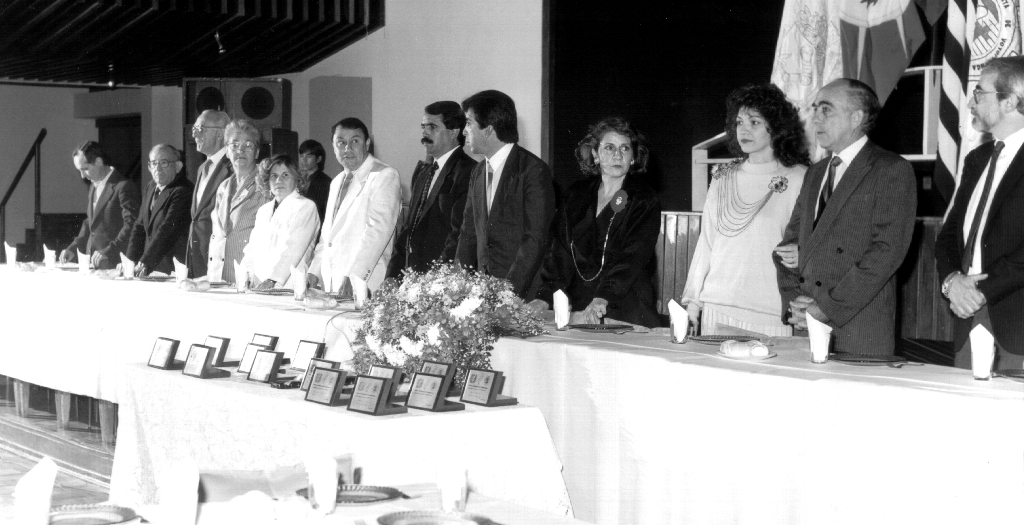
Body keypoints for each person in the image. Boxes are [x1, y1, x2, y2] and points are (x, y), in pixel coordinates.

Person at [774, 78, 916, 355]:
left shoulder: (891, 169)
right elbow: (788, 244)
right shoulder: (816, 172)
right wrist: (795, 303)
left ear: (856, 117)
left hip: (857, 329)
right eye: (815, 109)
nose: (814, 118)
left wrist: (824, 309)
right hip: (806, 325)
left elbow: (886, 253)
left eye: (825, 110)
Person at [681, 84, 809, 336]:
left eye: (754, 122)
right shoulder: (721, 175)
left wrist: (802, 252)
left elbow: (816, 242)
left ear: (776, 127)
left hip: (771, 311)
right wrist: (693, 302)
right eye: (739, 122)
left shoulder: (800, 178)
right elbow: (706, 242)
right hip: (719, 305)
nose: (744, 129)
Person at [936, 56, 1024, 368]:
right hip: (967, 317)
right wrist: (952, 282)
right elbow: (948, 235)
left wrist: (980, 290)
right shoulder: (977, 158)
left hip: (1015, 325)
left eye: (980, 93)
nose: (971, 103)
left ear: (1009, 102)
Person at [531, 117, 662, 327]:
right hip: (579, 307)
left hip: (623, 306)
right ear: (595, 154)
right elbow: (559, 253)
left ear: (634, 158)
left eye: (625, 148)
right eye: (609, 148)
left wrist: (603, 297)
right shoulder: (576, 195)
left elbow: (632, 257)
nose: (617, 155)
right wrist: (544, 297)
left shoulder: (643, 198)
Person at [452, 90, 556, 300]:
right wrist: (455, 286)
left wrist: (507, 292)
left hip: (521, 295)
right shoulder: (478, 172)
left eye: (469, 123)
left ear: (488, 128)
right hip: (484, 294)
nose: (464, 131)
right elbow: (468, 233)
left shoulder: (532, 170)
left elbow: (534, 239)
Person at [307, 117, 401, 296]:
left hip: (363, 283)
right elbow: (327, 235)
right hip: (333, 282)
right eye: (340, 142)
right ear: (333, 146)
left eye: (354, 141)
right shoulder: (336, 182)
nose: (347, 149)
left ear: (367, 143)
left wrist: (354, 276)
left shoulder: (384, 175)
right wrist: (313, 272)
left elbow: (377, 232)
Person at [386, 101, 476, 280]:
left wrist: (435, 279)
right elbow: (407, 229)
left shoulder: (469, 171)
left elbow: (458, 235)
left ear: (454, 132)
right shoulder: (424, 173)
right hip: (414, 279)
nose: (424, 133)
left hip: (443, 282)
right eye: (423, 127)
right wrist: (391, 277)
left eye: (432, 127)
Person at [241, 154, 320, 289]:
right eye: (274, 176)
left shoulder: (306, 206)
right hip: (260, 286)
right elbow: (251, 249)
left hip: (288, 286)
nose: (278, 180)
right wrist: (244, 277)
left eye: (285, 175)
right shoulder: (263, 211)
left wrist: (272, 280)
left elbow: (293, 249)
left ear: (297, 179)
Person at [208, 119, 271, 283]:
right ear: (227, 151)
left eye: (248, 145)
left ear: (257, 153)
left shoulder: (265, 185)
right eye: (234, 145)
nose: (240, 150)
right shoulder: (223, 187)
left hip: (250, 278)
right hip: (219, 277)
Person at [61, 141, 140, 270]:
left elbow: (131, 224)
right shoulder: (93, 186)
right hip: (93, 262)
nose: (82, 176)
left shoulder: (124, 186)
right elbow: (90, 222)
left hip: (114, 262)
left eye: (85, 169)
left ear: (98, 162)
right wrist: (73, 247)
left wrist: (109, 250)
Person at [126, 144, 194, 276]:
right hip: (150, 266)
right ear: (149, 167)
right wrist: (130, 260)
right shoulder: (150, 187)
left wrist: (145, 261)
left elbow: (167, 229)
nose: (157, 168)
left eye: (164, 163)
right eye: (153, 163)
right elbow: (139, 226)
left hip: (171, 268)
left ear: (178, 166)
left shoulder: (184, 190)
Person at [186, 109, 232, 278]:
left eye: (201, 129)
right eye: (194, 129)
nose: (195, 135)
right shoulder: (202, 168)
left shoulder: (232, 168)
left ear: (221, 134)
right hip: (196, 253)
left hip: (217, 256)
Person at [298, 139, 332, 224]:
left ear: (318, 159)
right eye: (302, 156)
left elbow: (322, 214)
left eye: (308, 156)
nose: (304, 160)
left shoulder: (325, 182)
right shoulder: (299, 181)